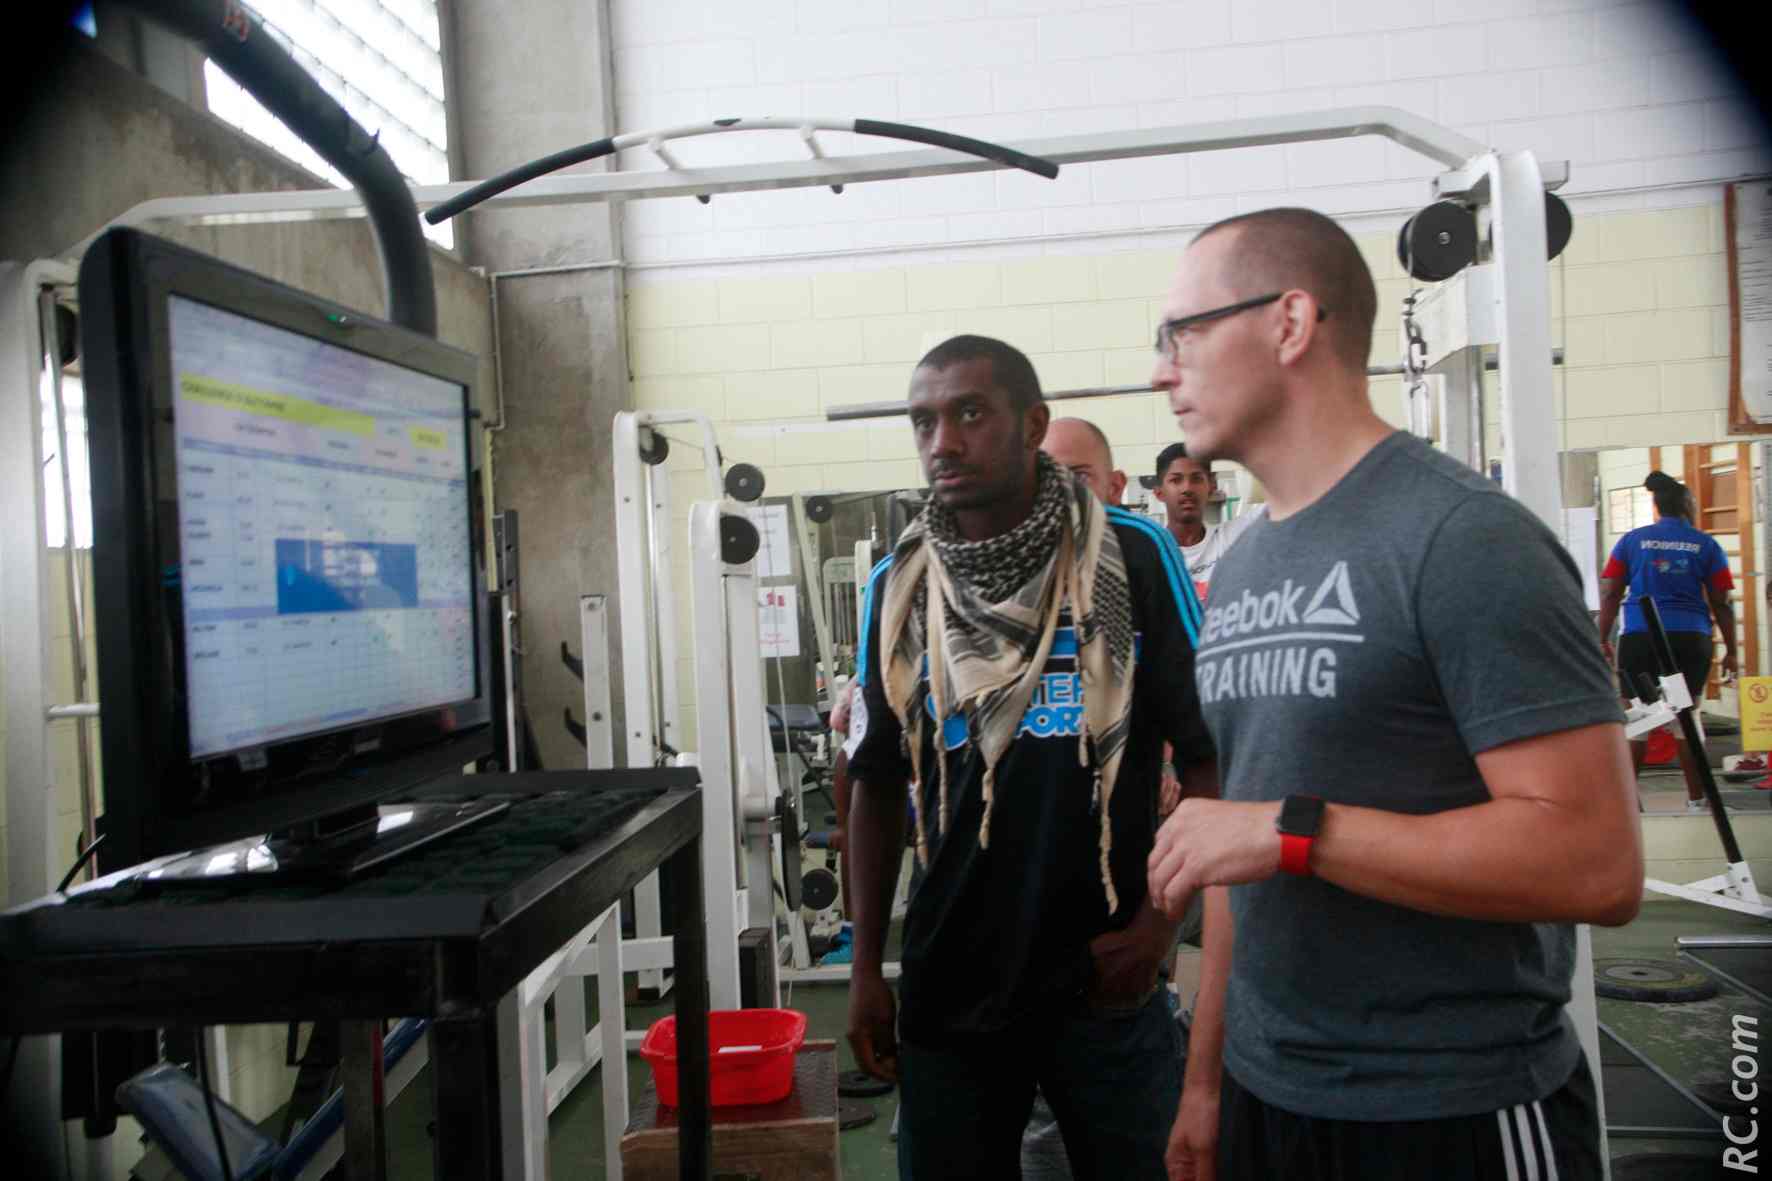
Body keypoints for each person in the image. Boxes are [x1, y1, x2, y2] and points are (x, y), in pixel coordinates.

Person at [1143, 208, 1643, 1181]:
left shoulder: (1461, 539)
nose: (1162, 368)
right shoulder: (1244, 568)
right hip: (1265, 1094)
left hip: (1451, 1107)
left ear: (1288, 323)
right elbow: (1243, 846)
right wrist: (1203, 1084)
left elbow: (1594, 861)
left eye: (1182, 334)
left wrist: (1292, 832)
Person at [845, 335, 1217, 1180]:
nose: (943, 440)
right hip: (952, 975)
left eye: (970, 413)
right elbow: (872, 780)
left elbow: (1209, 757)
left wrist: (1161, 926)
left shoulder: (1132, 555)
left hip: (1104, 972)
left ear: (1031, 424)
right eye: (924, 421)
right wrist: (868, 966)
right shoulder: (900, 584)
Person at [1595, 470, 1736, 813]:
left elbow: (1611, 592)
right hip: (1690, 638)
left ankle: (1627, 807)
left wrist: (1601, 638)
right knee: (1685, 720)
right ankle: (1697, 801)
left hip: (1641, 637)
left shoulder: (1631, 540)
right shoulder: (1706, 544)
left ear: (1656, 505)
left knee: (1639, 720)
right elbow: (1721, 602)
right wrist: (1732, 650)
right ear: (1687, 505)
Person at [1151, 442, 1264, 604]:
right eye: (1176, 480)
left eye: (1196, 479)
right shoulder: (1150, 551)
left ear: (1211, 486)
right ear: (1159, 492)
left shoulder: (1231, 538)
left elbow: (1288, 501)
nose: (1187, 488)